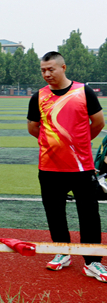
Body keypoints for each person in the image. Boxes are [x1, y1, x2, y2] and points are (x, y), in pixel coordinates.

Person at [27, 51, 106, 281]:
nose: (46, 74)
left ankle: (92, 262)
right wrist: (53, 144)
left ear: (63, 68)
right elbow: (33, 127)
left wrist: (78, 144)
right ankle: (62, 251)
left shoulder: (84, 92)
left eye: (51, 69)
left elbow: (98, 122)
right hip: (49, 168)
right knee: (54, 213)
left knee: (89, 215)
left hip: (81, 168)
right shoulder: (38, 96)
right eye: (43, 70)